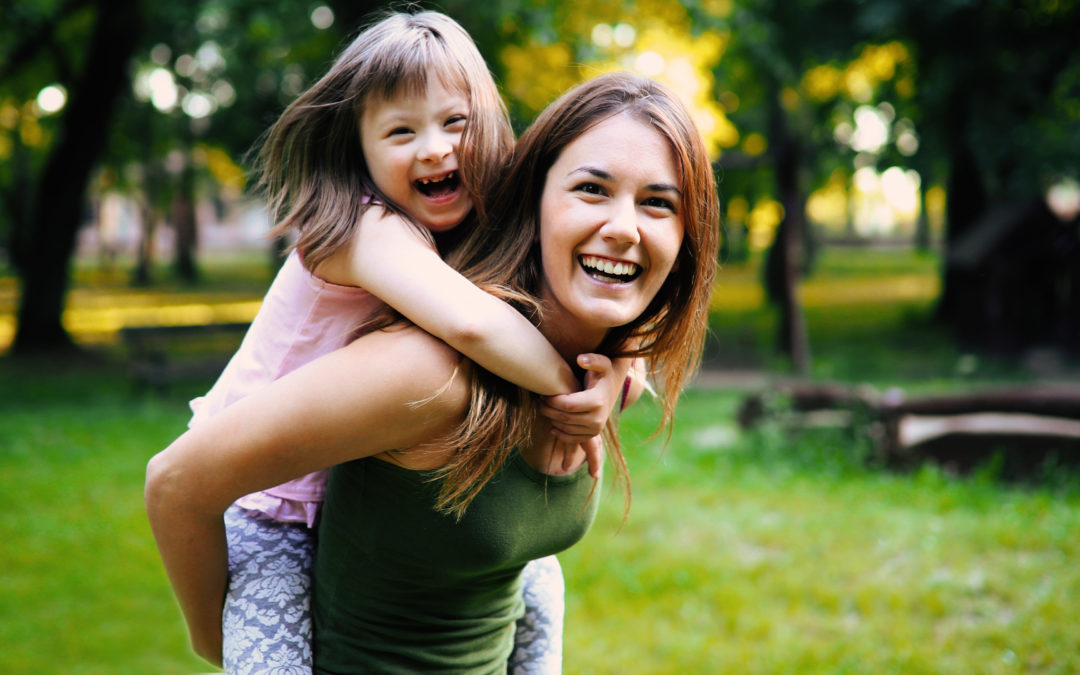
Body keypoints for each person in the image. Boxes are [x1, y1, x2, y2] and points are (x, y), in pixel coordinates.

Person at [146, 71, 720, 673]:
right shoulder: (430, 376)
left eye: (658, 203)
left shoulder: (603, 374)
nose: (625, 228)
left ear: (687, 237)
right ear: (533, 199)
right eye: (591, 189)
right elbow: (176, 484)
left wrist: (614, 377)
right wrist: (213, 637)